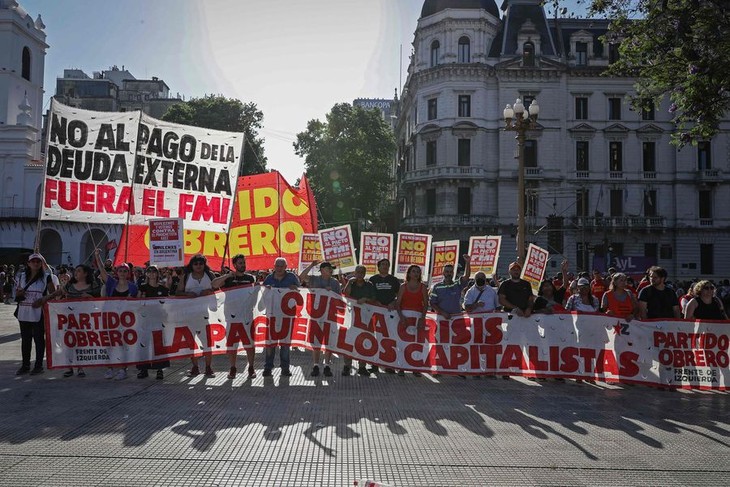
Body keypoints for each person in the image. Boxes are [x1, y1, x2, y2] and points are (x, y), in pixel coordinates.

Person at [211, 254, 257, 379]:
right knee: (232, 345)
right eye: (240, 263)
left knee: (250, 344)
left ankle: (251, 367)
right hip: (231, 317)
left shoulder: (250, 278)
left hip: (247, 316)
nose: (242, 265)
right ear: (235, 265)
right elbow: (214, 284)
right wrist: (227, 275)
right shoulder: (228, 279)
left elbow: (255, 294)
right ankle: (232, 368)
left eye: (244, 263)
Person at [95, 249, 138, 380]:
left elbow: (136, 303)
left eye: (125, 271)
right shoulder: (111, 283)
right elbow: (102, 270)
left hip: (125, 320)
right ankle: (110, 368)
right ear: (116, 272)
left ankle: (123, 369)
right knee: (110, 343)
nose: (123, 273)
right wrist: (97, 256)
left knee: (123, 343)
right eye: (120, 270)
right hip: (110, 318)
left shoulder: (133, 287)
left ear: (128, 273)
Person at [14, 253, 57, 376]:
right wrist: (19, 293)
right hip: (24, 310)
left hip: (38, 311)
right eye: (33, 261)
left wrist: (43, 300)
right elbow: (16, 293)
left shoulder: (47, 277)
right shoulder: (21, 276)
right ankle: (25, 365)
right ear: (28, 263)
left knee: (38, 339)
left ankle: (38, 365)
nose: (36, 263)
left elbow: (53, 293)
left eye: (38, 261)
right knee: (25, 339)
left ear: (41, 263)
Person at [56, 264, 101, 377]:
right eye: (75, 271)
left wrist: (90, 297)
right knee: (69, 343)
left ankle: (81, 367)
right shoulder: (69, 285)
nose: (76, 273)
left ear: (86, 273)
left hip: (85, 319)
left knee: (82, 343)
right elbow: (60, 294)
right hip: (69, 318)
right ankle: (69, 367)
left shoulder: (93, 286)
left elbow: (100, 300)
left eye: (79, 271)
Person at [177, 254, 217, 377]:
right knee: (191, 342)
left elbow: (219, 291)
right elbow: (177, 292)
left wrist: (209, 292)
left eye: (201, 263)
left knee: (207, 342)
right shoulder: (186, 277)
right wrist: (187, 295)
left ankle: (208, 367)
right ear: (192, 265)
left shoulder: (210, 275)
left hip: (207, 314)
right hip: (189, 314)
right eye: (196, 264)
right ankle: (195, 367)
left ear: (204, 265)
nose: (198, 266)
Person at [299, 260, 341, 377]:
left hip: (330, 316)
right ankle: (316, 365)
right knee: (315, 340)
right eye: (328, 268)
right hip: (316, 316)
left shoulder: (335, 282)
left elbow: (339, 298)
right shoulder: (314, 279)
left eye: (331, 269)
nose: (331, 270)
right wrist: (311, 265)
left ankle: (327, 365)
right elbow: (301, 277)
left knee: (329, 341)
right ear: (322, 270)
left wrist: (331, 292)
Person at [262, 257, 300, 377]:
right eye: (277, 266)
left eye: (281, 266)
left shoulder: (292, 277)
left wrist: (295, 289)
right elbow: (263, 294)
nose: (279, 268)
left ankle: (285, 368)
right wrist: (266, 290)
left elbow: (300, 292)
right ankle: (268, 367)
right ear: (274, 266)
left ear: (286, 267)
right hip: (272, 315)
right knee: (270, 343)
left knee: (285, 343)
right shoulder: (269, 278)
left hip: (286, 317)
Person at [136, 266, 171, 380]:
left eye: (154, 271)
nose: (151, 274)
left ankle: (159, 369)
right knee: (144, 343)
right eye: (149, 271)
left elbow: (168, 303)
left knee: (158, 344)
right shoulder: (142, 287)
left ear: (157, 274)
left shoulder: (163, 288)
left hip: (158, 319)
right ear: (146, 274)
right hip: (145, 319)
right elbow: (137, 303)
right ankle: (143, 369)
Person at [343, 265, 378, 375]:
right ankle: (347, 366)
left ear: (365, 273)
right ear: (354, 272)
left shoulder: (369, 285)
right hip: (352, 317)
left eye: (362, 272)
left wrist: (366, 299)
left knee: (363, 341)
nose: (360, 274)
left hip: (365, 318)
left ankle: (362, 367)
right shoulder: (351, 284)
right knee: (349, 341)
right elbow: (346, 294)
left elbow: (373, 299)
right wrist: (349, 282)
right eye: (357, 272)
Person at [395, 265, 429, 377]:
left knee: (416, 343)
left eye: (418, 272)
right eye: (413, 271)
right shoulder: (403, 286)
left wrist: (422, 319)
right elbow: (398, 304)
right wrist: (401, 317)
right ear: (409, 273)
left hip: (418, 317)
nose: (416, 274)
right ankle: (401, 367)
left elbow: (425, 304)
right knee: (402, 343)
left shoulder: (423, 287)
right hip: (404, 316)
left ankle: (416, 368)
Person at [369, 259, 401, 374]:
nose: (385, 266)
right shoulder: (373, 279)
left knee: (389, 338)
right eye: (383, 264)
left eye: (387, 264)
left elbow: (399, 295)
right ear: (378, 267)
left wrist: (394, 302)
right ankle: (374, 364)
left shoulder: (394, 280)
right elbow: (370, 295)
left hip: (390, 313)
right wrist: (375, 302)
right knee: (376, 337)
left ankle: (389, 364)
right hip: (376, 312)